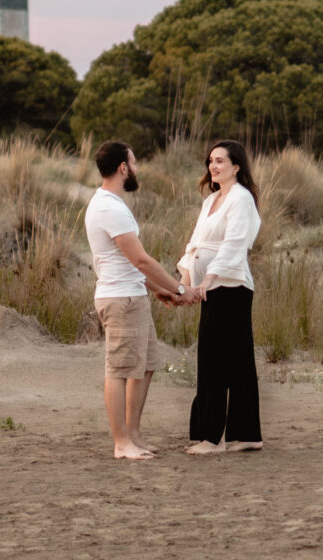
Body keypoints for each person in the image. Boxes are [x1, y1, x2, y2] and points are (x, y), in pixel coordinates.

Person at [85, 140, 200, 460]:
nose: (136, 169)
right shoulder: (109, 206)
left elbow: (129, 264)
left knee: (145, 365)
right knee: (120, 369)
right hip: (120, 300)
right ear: (123, 168)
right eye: (134, 163)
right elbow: (141, 260)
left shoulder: (112, 204)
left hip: (133, 295)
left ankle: (133, 435)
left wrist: (158, 290)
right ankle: (121, 443)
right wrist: (180, 289)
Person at [177, 139, 263, 455]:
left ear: (236, 166)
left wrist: (207, 281)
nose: (213, 166)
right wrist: (184, 284)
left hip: (231, 288)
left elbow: (234, 246)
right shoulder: (211, 200)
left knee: (216, 360)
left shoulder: (241, 199)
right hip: (211, 289)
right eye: (210, 161)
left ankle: (210, 438)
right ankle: (246, 434)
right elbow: (194, 245)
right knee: (235, 361)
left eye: (220, 161)